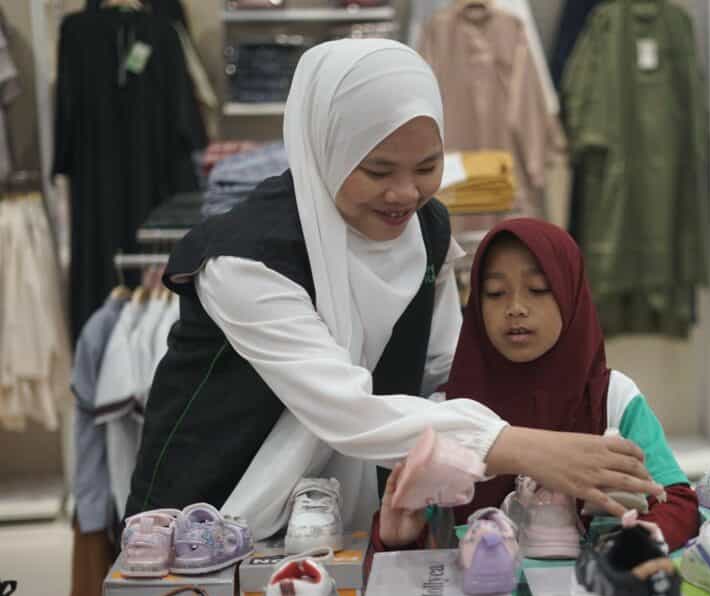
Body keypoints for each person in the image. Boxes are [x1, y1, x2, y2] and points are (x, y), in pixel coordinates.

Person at [125, 39, 662, 539]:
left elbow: (446, 370)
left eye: (427, 167)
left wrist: (567, 419)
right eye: (378, 170)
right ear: (325, 149)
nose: (405, 193)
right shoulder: (244, 259)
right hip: (212, 513)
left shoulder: (426, 232)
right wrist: (519, 447)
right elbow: (345, 410)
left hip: (351, 513)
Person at [374, 219, 701, 554]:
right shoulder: (450, 411)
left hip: (592, 592)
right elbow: (413, 531)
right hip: (481, 595)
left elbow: (676, 499)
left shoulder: (612, 397)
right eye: (495, 293)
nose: (515, 308)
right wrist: (397, 538)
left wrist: (639, 542)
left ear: (570, 293)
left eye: (539, 288)